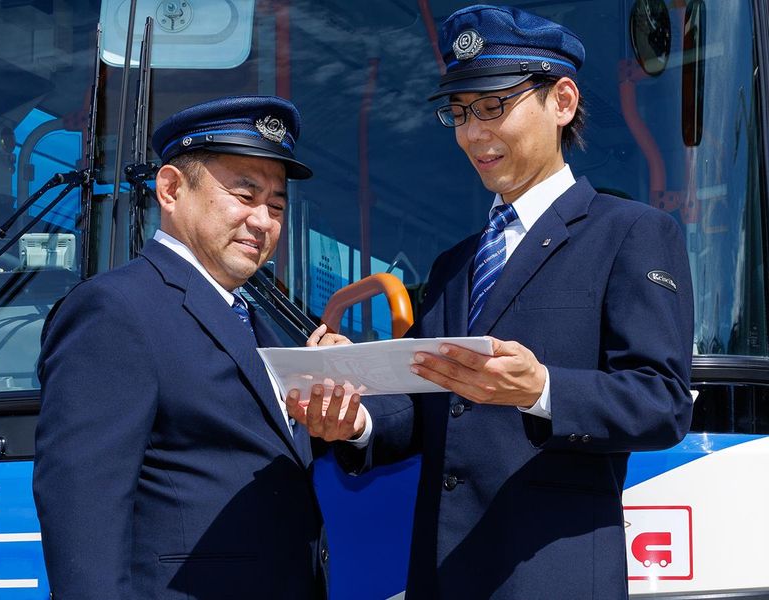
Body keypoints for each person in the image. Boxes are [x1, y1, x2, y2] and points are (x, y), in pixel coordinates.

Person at [287, 5, 694, 599]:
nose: (472, 133)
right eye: (459, 112)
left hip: (549, 578)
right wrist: (356, 419)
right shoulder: (455, 266)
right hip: (442, 579)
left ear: (562, 101)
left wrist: (541, 389)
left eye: (493, 106)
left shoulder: (630, 233)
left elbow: (661, 402)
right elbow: (426, 403)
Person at [34, 96, 330, 599]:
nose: (263, 221)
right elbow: (82, 502)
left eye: (277, 205)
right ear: (171, 189)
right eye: (245, 195)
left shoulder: (251, 322)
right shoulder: (116, 309)